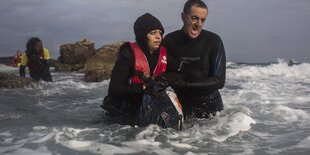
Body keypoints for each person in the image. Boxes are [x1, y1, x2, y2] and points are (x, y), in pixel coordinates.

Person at [101, 13, 184, 127]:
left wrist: (166, 79)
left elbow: (179, 72)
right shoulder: (128, 55)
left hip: (145, 110)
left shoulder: (163, 55)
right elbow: (114, 89)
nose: (158, 37)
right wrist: (142, 88)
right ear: (142, 36)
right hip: (121, 113)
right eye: (153, 33)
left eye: (160, 32)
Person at [162, 0, 226, 119]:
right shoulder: (169, 41)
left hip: (211, 108)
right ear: (183, 17)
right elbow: (161, 72)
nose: (199, 24)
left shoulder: (213, 41)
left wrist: (186, 84)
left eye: (203, 20)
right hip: (180, 106)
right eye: (194, 18)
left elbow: (219, 80)